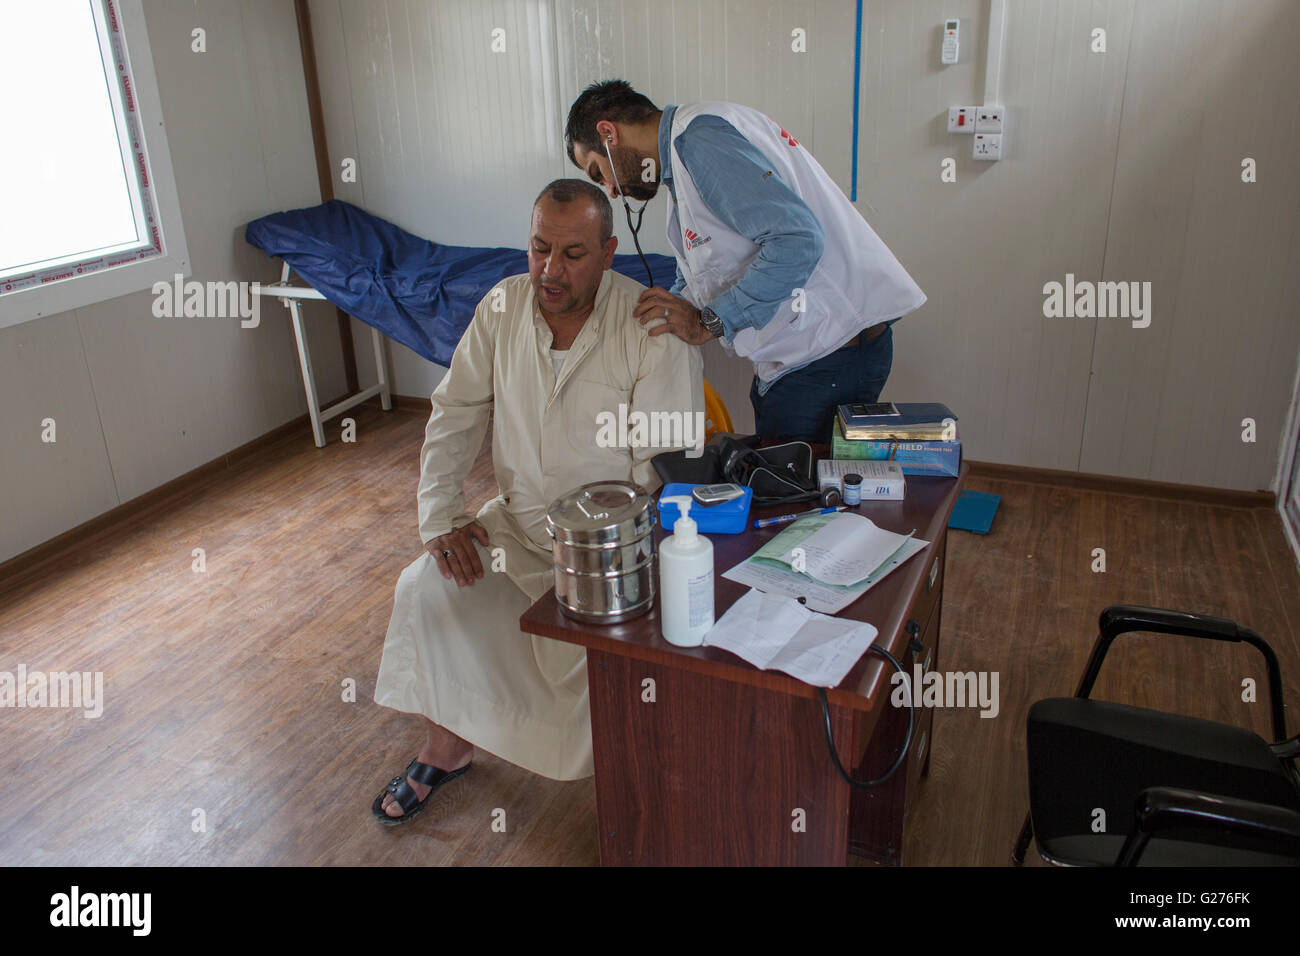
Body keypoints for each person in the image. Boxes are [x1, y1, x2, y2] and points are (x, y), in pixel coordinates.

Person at [371, 179, 703, 823]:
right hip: (519, 532)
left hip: (617, 552)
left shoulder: (649, 326)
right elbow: (456, 411)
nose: (550, 270)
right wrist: (441, 517)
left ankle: (637, 776)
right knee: (427, 589)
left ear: (609, 254)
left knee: (613, 665)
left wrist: (604, 555)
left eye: (573, 254)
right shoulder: (502, 308)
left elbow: (663, 470)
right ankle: (446, 748)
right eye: (539, 248)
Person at [565, 79, 926, 444]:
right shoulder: (685, 155)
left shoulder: (700, 142)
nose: (609, 190)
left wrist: (709, 322)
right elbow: (711, 262)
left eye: (598, 172)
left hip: (826, 354)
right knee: (785, 482)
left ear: (609, 133)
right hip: (802, 359)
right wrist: (670, 309)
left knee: (796, 495)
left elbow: (797, 241)